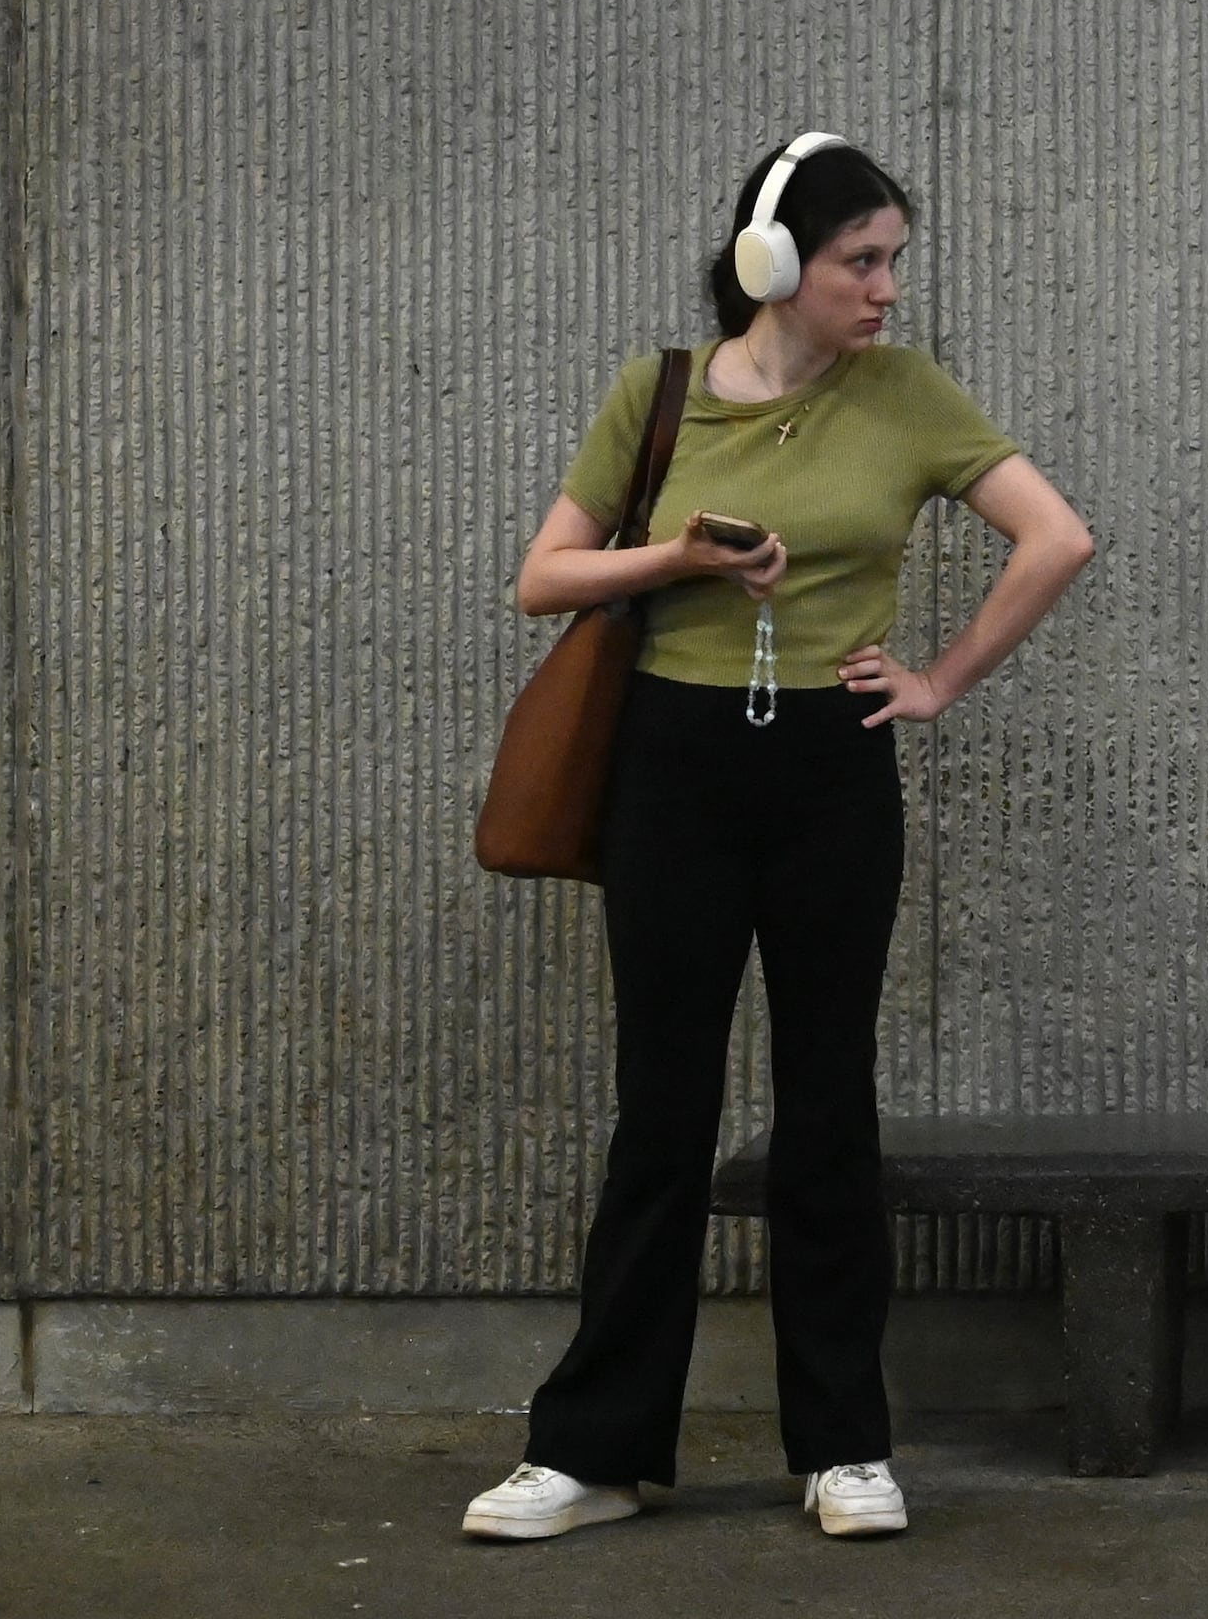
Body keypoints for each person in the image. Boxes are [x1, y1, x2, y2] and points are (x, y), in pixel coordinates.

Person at [462, 134, 1093, 1546]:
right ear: (774, 262)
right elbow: (541, 577)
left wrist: (932, 681)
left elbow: (1057, 538)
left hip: (829, 772)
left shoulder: (909, 396)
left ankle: (845, 1445)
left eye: (893, 262)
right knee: (663, 1113)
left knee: (828, 1109)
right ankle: (595, 1451)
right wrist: (680, 559)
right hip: (671, 770)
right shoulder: (661, 395)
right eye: (861, 260)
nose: (885, 290)